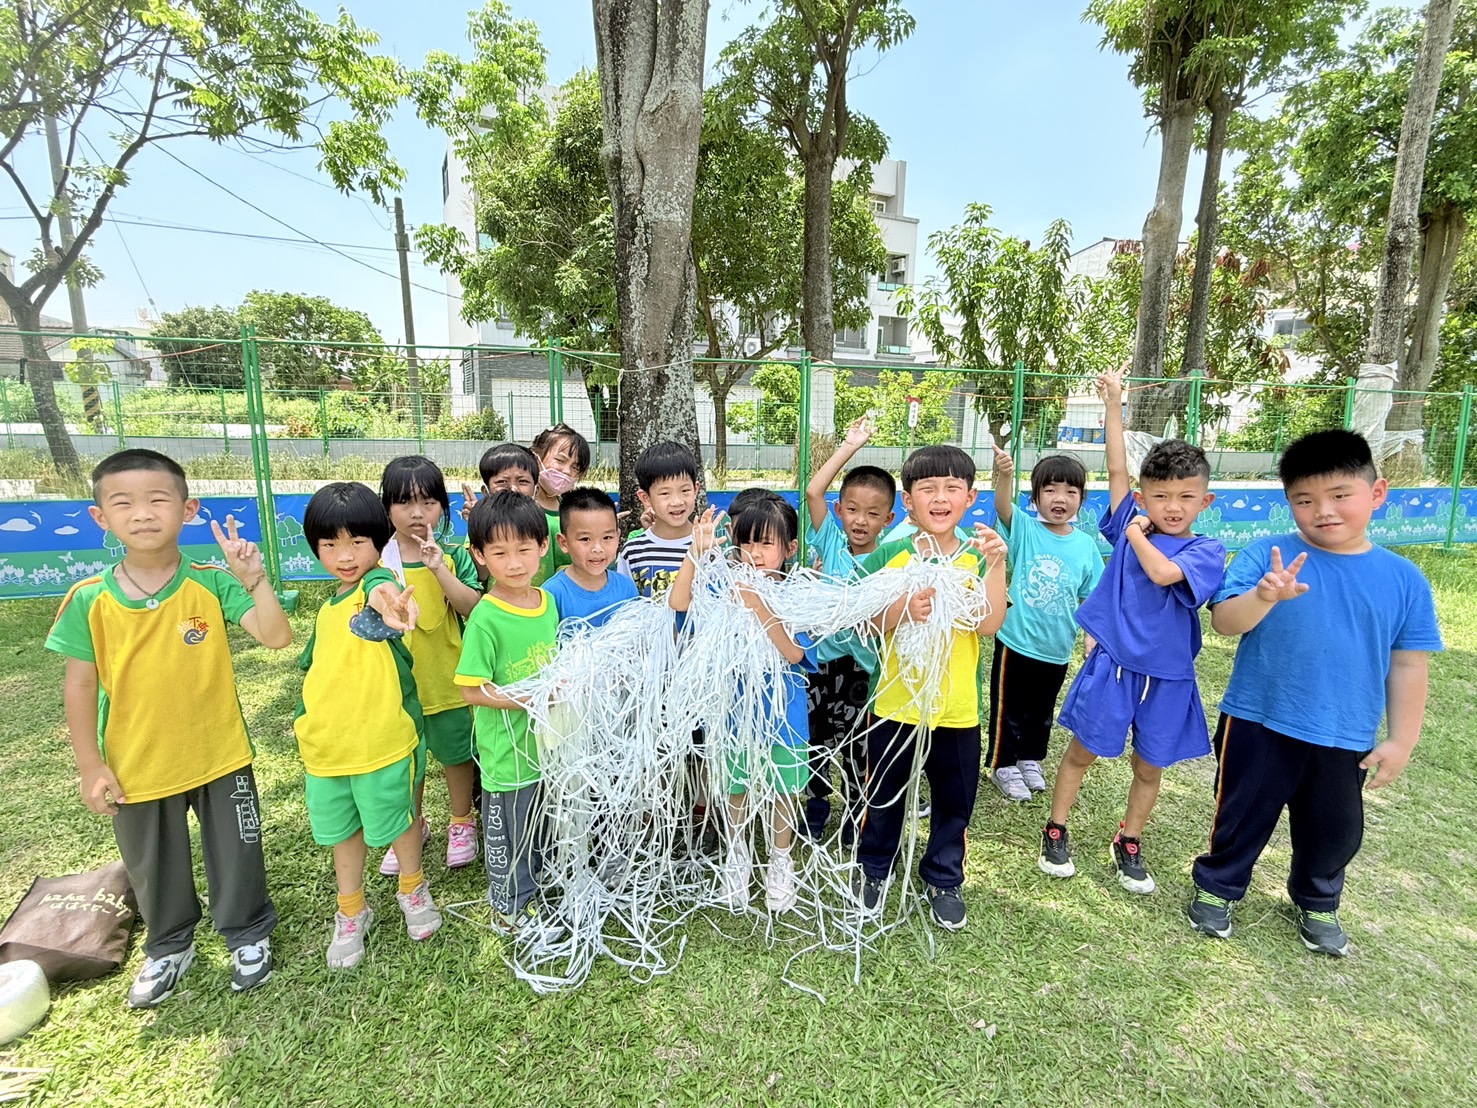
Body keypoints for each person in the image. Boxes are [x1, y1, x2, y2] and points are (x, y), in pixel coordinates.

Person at [46, 449, 292, 1008]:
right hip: (136, 762)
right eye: (123, 502)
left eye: (159, 500)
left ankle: (247, 931)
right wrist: (91, 765)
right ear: (100, 517)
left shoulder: (212, 583)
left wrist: (254, 582)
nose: (143, 513)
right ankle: (169, 942)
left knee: (237, 851)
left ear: (187, 509)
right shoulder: (89, 600)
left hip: (220, 753)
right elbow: (80, 688)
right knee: (152, 863)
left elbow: (276, 637)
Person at [1187, 430, 1442, 956]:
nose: (1322, 511)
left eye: (1339, 495)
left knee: (1334, 827)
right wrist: (1263, 596)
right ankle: (1218, 885)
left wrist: (1401, 741)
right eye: (1305, 500)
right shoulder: (1267, 556)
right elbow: (1225, 624)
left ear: (1377, 493)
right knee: (1241, 812)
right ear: (1289, 503)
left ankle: (1317, 899)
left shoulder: (1404, 580)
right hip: (1258, 718)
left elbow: (1409, 664)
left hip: (1345, 730)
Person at [1039, 369, 1225, 894]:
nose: (1172, 506)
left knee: (1150, 767)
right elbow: (1116, 465)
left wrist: (1138, 533)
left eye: (1186, 497)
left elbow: (1166, 575)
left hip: (1168, 678)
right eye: (1160, 495)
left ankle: (1130, 838)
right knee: (1081, 753)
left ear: (1204, 502)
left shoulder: (1204, 551)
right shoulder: (1131, 516)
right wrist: (1114, 403)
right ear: (1143, 496)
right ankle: (1056, 827)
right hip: (1113, 667)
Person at [854, 445, 1008, 931]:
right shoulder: (892, 554)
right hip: (896, 705)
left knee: (954, 800)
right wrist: (904, 611)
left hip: (957, 710)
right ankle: (873, 868)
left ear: (970, 497)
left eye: (951, 488)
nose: (939, 498)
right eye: (927, 489)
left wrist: (999, 566)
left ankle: (944, 875)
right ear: (908, 500)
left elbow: (989, 624)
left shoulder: (978, 556)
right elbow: (864, 621)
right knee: (885, 795)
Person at [296, 481, 443, 969]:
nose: (344, 555)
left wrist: (393, 605)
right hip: (327, 749)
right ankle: (351, 910)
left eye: (357, 541)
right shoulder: (324, 609)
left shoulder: (372, 586)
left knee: (400, 820)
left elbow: (383, 595)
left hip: (382, 741)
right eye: (329, 544)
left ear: (378, 544)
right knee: (344, 833)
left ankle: (412, 889)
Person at [669, 499, 818, 913]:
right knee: (735, 789)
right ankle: (736, 857)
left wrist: (758, 604)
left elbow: (793, 654)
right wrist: (695, 554)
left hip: (784, 718)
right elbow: (680, 606)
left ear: (789, 549)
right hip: (733, 717)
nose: (754, 554)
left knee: (783, 790)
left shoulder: (798, 595)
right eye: (745, 543)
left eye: (766, 544)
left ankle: (779, 861)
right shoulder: (721, 588)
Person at [455, 491, 562, 934]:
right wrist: (524, 698)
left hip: (546, 747)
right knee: (509, 835)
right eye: (499, 553)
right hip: (507, 756)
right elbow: (471, 689)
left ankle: (536, 894)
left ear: (543, 546)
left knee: (540, 828)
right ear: (479, 555)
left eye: (523, 549)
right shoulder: (486, 616)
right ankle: (510, 908)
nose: (514, 563)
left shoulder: (546, 602)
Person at [377, 457, 483, 876]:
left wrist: (438, 568)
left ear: (443, 507)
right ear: (387, 508)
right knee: (409, 759)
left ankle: (462, 822)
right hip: (400, 683)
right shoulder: (377, 561)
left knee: (457, 755)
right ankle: (412, 825)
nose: (417, 513)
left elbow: (472, 606)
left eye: (427, 502)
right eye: (404, 503)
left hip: (448, 678)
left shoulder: (454, 555)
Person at [985, 446, 1104, 801]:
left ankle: (1030, 759)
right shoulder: (1025, 529)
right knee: (1009, 708)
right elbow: (1003, 507)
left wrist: (1091, 638)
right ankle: (1002, 764)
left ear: (1082, 498)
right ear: (1036, 496)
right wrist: (1005, 475)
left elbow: (1093, 597)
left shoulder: (1085, 545)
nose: (1060, 498)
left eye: (1071, 491)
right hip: (1016, 641)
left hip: (1056, 649)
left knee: (1041, 711)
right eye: (1050, 489)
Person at [801, 416, 895, 843]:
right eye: (852, 510)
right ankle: (816, 805)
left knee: (861, 747)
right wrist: (850, 446)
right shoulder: (831, 543)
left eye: (873, 514)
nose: (860, 521)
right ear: (839, 511)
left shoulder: (892, 562)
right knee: (817, 741)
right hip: (820, 664)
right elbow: (812, 491)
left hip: (864, 671)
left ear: (888, 519)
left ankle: (857, 813)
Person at [615, 441, 701, 598]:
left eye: (685, 490)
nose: (677, 501)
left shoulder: (706, 546)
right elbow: (624, 605)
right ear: (645, 498)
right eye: (665, 493)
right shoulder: (633, 552)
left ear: (696, 490)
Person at [543, 486, 638, 628]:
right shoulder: (552, 594)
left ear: (618, 537)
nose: (597, 549)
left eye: (607, 537)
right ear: (564, 543)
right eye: (585, 539)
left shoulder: (626, 587)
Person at [530, 422, 592, 586]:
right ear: (536, 457)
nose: (566, 471)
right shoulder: (516, 508)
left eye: (575, 467)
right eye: (560, 460)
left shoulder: (572, 512)